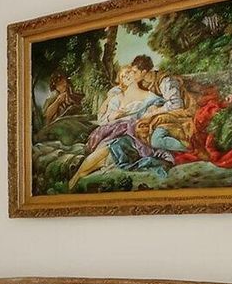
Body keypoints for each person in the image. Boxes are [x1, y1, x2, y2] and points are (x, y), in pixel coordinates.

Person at [67, 56, 166, 190]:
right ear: (121, 81)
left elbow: (157, 110)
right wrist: (114, 116)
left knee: (110, 149)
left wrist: (152, 110)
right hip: (114, 131)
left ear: (136, 74)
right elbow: (103, 120)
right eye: (123, 76)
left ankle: (77, 177)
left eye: (129, 72)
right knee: (105, 150)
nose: (127, 76)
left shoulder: (149, 97)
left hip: (133, 134)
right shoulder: (117, 98)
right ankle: (77, 177)